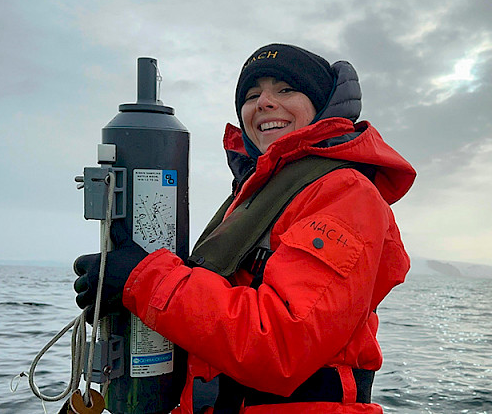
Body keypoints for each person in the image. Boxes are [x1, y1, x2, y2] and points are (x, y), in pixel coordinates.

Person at [74, 43, 416, 413]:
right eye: (252, 95)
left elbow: (281, 343)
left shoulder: (345, 193)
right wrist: (124, 292)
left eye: (286, 89)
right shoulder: (255, 194)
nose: (264, 102)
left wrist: (142, 279)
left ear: (323, 105)